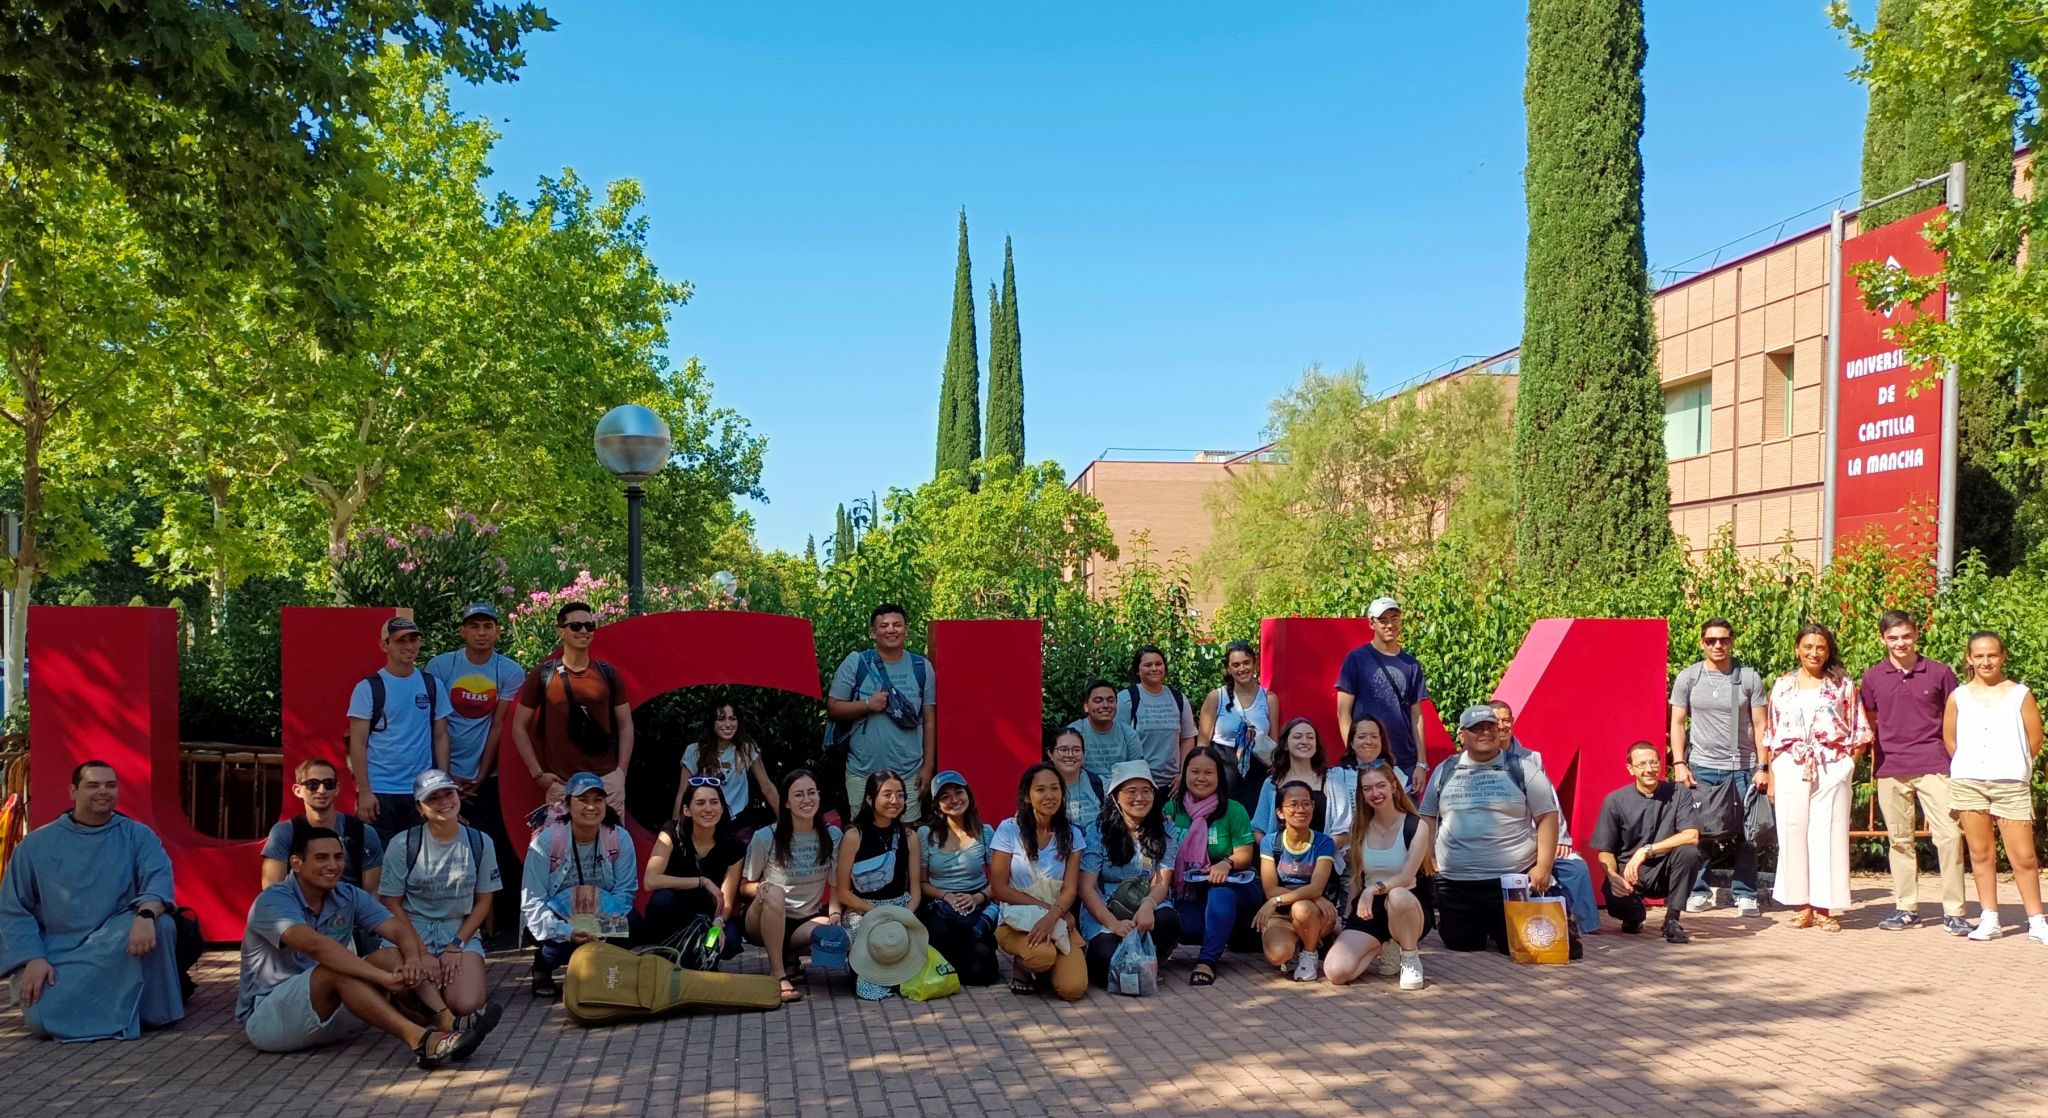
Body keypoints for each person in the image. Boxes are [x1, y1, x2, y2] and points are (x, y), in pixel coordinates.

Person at [237, 827, 495, 1065]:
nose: (333, 865)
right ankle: (422, 1041)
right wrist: (381, 978)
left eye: (338, 857)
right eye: (321, 858)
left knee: (392, 955)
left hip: (332, 1011)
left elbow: (397, 929)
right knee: (339, 969)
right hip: (270, 1021)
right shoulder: (272, 901)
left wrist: (414, 959)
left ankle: (448, 1022)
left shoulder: (347, 894)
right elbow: (317, 947)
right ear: (296, 863)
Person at [0, 761, 185, 1041]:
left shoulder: (137, 835)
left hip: (115, 942)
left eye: (110, 785)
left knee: (164, 925)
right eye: (93, 785)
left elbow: (158, 879)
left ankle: (146, 1012)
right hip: (58, 952)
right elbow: (13, 909)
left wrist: (146, 916)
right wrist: (32, 958)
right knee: (42, 1021)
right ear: (73, 791)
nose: (103, 791)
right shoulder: (36, 845)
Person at [1418, 706, 1561, 954]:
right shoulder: (1444, 771)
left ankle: (1499, 928)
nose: (1485, 733)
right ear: (1462, 736)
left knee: (1520, 947)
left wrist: (1543, 866)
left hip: (1510, 881)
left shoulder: (1522, 768)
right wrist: (1429, 857)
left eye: (1490, 727)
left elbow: (1547, 816)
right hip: (1456, 883)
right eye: (1476, 729)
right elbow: (1428, 815)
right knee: (1462, 944)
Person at [1860, 610, 1968, 934]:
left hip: (1935, 765)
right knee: (1900, 840)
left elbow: (1957, 717)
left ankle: (1954, 912)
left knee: (1949, 837)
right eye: (1893, 637)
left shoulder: (1939, 673)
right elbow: (1869, 719)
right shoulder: (1873, 676)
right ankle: (1906, 909)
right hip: (1891, 767)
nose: (1900, 643)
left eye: (1905, 636)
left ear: (1916, 635)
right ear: (1883, 639)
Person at [373, 770, 501, 1035]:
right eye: (433, 798)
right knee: (414, 980)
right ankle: (424, 1010)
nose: (444, 802)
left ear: (458, 796)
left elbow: (483, 901)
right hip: (410, 928)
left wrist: (456, 946)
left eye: (448, 794)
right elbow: (391, 902)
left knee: (467, 1003)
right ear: (420, 807)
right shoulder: (402, 844)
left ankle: (435, 1004)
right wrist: (420, 951)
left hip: (457, 929)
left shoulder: (480, 841)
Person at [1943, 631, 2048, 943]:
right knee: (1980, 853)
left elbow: (2035, 737)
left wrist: (2013, 763)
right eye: (1979, 656)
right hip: (1968, 782)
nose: (1985, 661)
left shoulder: (2020, 694)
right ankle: (1990, 918)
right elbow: (1950, 739)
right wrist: (1968, 763)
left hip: (2010, 782)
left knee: (2024, 856)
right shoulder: (1958, 696)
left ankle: (2037, 920)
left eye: (1992, 655)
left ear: (2002, 657)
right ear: (1969, 658)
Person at [1764, 624, 1868, 931]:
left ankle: (1825, 907)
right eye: (1808, 646)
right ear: (1797, 649)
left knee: (1829, 834)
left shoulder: (1843, 685)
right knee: (1792, 832)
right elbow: (1771, 732)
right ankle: (1803, 906)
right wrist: (1771, 774)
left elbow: (1859, 729)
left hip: (1831, 764)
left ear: (1828, 650)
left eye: (1820, 647)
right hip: (1790, 765)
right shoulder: (1782, 685)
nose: (1814, 652)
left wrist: (1848, 764)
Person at [1667, 617, 1770, 916]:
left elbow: (1762, 725)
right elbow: (1677, 723)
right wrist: (1679, 762)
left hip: (1743, 766)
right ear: (1702, 643)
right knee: (1699, 830)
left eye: (1723, 640)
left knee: (1747, 833)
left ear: (1732, 641)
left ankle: (1745, 893)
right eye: (1711, 641)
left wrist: (1764, 766)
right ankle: (1699, 891)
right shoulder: (1690, 678)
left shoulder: (1747, 678)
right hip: (1702, 766)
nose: (1718, 645)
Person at [423, 603, 525, 895]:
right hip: (443, 771)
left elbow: (498, 726)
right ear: (463, 631)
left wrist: (482, 774)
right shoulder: (440, 666)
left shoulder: (510, 671)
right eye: (475, 626)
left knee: (489, 842)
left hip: (486, 775)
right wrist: (446, 778)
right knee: (440, 841)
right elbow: (437, 724)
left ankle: (491, 913)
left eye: (488, 626)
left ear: (497, 632)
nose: (481, 633)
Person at [520, 772, 639, 998]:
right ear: (567, 804)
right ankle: (542, 965)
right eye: (583, 800)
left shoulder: (618, 837)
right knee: (559, 945)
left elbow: (625, 892)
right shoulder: (545, 843)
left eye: (597, 800)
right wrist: (568, 931)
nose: (591, 807)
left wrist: (603, 926)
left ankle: (602, 967)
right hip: (559, 918)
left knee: (633, 924)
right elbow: (533, 903)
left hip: (600, 915)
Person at [512, 603, 635, 816]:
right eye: (576, 626)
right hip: (562, 784)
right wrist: (539, 775)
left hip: (605, 781)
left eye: (590, 626)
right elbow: (519, 727)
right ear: (561, 631)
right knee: (559, 848)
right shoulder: (543, 674)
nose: (584, 631)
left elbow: (626, 725)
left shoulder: (608, 674)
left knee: (611, 847)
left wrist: (620, 773)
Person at [1491, 699, 1599, 936]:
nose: (1502, 725)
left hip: (1540, 834)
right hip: (1507, 840)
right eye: (1496, 721)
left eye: (1506, 719)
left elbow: (1550, 802)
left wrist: (1561, 838)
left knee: (1575, 867)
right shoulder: (1478, 760)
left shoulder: (1533, 759)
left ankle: (1582, 928)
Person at [826, 603, 937, 824]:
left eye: (897, 625)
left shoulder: (921, 667)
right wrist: (867, 704)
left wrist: (928, 766)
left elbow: (929, 719)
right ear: (873, 633)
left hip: (909, 772)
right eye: (884, 625)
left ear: (906, 629)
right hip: (862, 772)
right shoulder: (857, 663)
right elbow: (833, 707)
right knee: (862, 836)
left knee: (907, 836)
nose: (891, 630)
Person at [1325, 760, 1433, 990]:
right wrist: (1346, 918)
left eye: (1381, 785)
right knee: (1336, 972)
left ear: (1394, 786)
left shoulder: (1416, 825)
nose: (1375, 793)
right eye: (1368, 788)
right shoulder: (1359, 827)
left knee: (1398, 896)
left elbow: (1405, 877)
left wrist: (1372, 889)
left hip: (1407, 904)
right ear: (1362, 794)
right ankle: (1385, 943)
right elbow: (1356, 878)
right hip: (1370, 907)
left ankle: (1410, 957)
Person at [347, 616, 453, 843]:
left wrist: (442, 786)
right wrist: (364, 792)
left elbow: (441, 736)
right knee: (379, 863)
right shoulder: (368, 688)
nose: (409, 646)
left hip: (421, 790)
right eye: (400, 640)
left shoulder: (432, 684)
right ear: (384, 645)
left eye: (413, 639)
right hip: (380, 791)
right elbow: (358, 743)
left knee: (420, 862)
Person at [741, 769, 842, 1003]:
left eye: (811, 793)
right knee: (774, 891)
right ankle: (778, 973)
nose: (806, 800)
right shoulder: (766, 836)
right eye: (798, 795)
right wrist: (761, 888)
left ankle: (790, 954)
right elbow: (744, 886)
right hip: (764, 915)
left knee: (837, 933)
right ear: (786, 802)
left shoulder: (832, 835)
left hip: (804, 921)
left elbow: (836, 887)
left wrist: (835, 914)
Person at [989, 763, 1087, 1000]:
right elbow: (999, 888)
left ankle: (1046, 968)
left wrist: (1053, 917)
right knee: (1041, 956)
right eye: (1040, 790)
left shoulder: (1073, 834)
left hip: (1057, 919)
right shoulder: (1008, 829)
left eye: (1055, 789)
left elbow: (1070, 888)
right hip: (1018, 919)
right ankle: (1025, 964)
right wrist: (1051, 912)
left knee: (1073, 989)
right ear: (1026, 796)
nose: (1049, 796)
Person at [1079, 760, 1182, 988]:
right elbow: (1086, 887)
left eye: (1146, 791)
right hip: (1106, 909)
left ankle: (1152, 960)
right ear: (1115, 796)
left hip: (1145, 901)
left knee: (1168, 920)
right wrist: (1113, 924)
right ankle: (1135, 965)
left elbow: (1162, 880)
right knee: (1105, 959)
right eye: (1131, 791)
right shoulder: (1098, 830)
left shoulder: (1165, 829)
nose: (1140, 798)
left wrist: (1148, 905)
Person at [1590, 743, 1704, 944]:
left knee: (1689, 852)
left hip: (1665, 870)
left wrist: (1646, 850)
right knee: (1618, 899)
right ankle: (1632, 917)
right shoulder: (1615, 801)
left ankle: (1672, 920)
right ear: (1630, 769)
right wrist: (1612, 876)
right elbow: (1604, 851)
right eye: (1641, 764)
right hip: (1630, 873)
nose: (1649, 769)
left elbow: (1691, 835)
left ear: (1661, 765)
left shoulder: (1679, 793)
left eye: (1653, 762)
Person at [1166, 745, 1259, 986]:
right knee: (1188, 929)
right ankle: (1214, 939)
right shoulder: (1171, 809)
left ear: (1219, 776)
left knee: (1221, 893)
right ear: (1184, 774)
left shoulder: (1233, 809)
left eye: (1208, 773)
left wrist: (1226, 863)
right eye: (1194, 772)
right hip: (1190, 888)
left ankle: (1207, 962)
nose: (1201, 778)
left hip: (1234, 885)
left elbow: (1245, 854)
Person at [1335, 596, 1430, 795]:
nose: (1389, 625)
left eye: (1394, 618)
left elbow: (1416, 714)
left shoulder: (1411, 664)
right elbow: (1343, 712)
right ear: (1372, 623)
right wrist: (1354, 753)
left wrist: (1421, 763)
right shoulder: (1356, 659)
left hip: (1404, 760)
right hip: (1367, 758)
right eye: (1383, 620)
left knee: (1405, 820)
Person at [916, 770, 1000, 986]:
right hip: (941, 904)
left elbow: (999, 883)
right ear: (936, 805)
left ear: (968, 794)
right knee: (942, 937)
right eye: (945, 797)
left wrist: (978, 898)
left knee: (984, 974)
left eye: (958, 792)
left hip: (977, 904)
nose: (954, 800)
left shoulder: (985, 832)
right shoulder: (926, 835)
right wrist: (947, 896)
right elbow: (922, 884)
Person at [642, 777, 745, 950]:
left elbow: (725, 899)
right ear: (687, 810)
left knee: (730, 941)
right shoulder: (671, 832)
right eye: (700, 803)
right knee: (661, 901)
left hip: (707, 915)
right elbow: (650, 880)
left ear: (721, 808)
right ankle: (663, 954)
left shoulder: (734, 845)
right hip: (673, 912)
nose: (708, 809)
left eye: (714, 802)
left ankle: (702, 957)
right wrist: (701, 881)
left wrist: (719, 923)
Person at [1254, 782, 1340, 981]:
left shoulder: (1323, 842)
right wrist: (1314, 895)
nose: (1300, 810)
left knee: (1302, 908)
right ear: (1280, 812)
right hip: (1282, 915)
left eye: (1306, 803)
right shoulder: (1270, 842)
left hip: (1313, 912)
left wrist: (1278, 900)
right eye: (1293, 804)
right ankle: (1298, 945)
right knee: (1278, 955)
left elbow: (1317, 886)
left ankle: (1309, 953)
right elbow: (1270, 889)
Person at [261, 758, 384, 892]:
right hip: (299, 910)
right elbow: (272, 891)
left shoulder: (363, 833)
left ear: (336, 789)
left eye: (328, 783)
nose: (321, 790)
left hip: (350, 909)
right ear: (298, 790)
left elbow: (372, 895)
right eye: (313, 784)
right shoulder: (284, 833)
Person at [1251, 718, 1358, 865]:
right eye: (1297, 737)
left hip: (1324, 864)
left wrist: (1312, 856)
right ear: (1286, 745)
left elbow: (1344, 831)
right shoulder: (1271, 783)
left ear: (1316, 745)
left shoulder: (1333, 780)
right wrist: (1276, 853)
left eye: (1310, 737)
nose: (1304, 741)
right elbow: (1257, 829)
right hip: (1281, 866)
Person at [834, 770, 924, 931]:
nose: (894, 800)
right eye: (887, 794)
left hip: (901, 908)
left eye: (900, 795)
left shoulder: (911, 837)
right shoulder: (854, 836)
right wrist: (879, 913)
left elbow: (915, 890)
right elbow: (843, 892)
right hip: (863, 910)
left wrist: (906, 916)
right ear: (870, 799)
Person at [674, 703, 778, 838]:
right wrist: (675, 828)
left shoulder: (746, 749)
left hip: (739, 824)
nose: (728, 724)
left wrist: (785, 821)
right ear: (712, 722)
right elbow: (682, 793)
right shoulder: (694, 751)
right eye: (721, 719)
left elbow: (767, 787)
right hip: (704, 823)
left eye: (733, 718)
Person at [1199, 640, 1280, 808]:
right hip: (1223, 771)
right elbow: (1202, 745)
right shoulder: (1216, 698)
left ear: (1255, 663)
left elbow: (1275, 744)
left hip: (1258, 772)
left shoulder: (1269, 699)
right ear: (1229, 669)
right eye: (1236, 665)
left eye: (1246, 663)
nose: (1242, 669)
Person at [1117, 645, 1198, 788]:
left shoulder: (1178, 699)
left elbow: (1187, 739)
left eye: (1159, 664)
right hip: (1138, 784)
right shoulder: (1126, 699)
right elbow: (1117, 740)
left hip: (1173, 785)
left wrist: (1183, 774)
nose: (1154, 668)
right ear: (1137, 670)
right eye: (1148, 665)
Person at [1068, 680, 1141, 778]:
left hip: (1120, 789)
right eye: (1098, 701)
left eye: (1110, 701)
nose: (1105, 705)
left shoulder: (1128, 734)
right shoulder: (1073, 733)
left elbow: (1137, 771)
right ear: (1086, 707)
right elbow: (1067, 771)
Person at [1049, 727, 1107, 831]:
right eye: (1063, 750)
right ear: (1050, 754)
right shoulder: (1040, 787)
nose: (1070, 755)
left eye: (1076, 750)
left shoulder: (1100, 784)